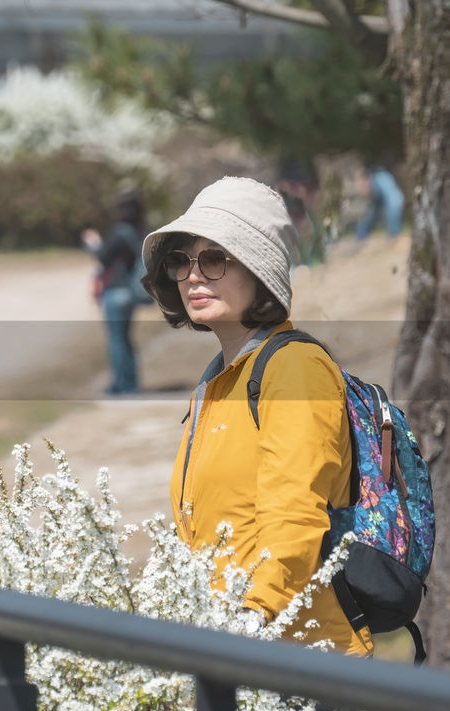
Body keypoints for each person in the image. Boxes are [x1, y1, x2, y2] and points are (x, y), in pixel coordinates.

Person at [140, 176, 371, 657]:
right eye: (183, 260)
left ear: (259, 269)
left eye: (215, 258)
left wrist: (254, 613)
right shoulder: (219, 381)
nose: (195, 276)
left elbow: (296, 509)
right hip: (234, 648)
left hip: (295, 656)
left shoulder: (295, 368)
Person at [81, 189, 148, 396]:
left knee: (116, 340)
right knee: (125, 338)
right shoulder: (140, 230)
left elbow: (103, 257)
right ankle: (132, 383)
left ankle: (121, 385)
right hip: (130, 292)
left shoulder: (120, 231)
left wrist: (93, 243)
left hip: (115, 291)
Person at [354, 166, 406, 243]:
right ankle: (361, 233)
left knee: (391, 222)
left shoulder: (375, 178)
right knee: (374, 214)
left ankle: (394, 238)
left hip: (393, 202)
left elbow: (380, 198)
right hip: (396, 199)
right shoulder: (380, 176)